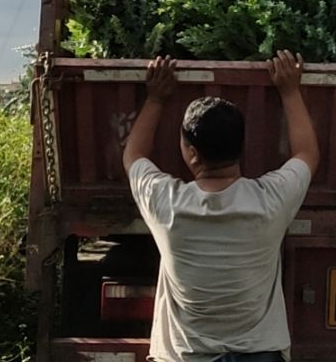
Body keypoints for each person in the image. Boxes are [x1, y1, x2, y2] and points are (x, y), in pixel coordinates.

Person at [123, 50, 321, 362]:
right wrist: (290, 91)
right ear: (241, 147)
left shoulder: (167, 204)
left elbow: (133, 154)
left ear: (191, 153)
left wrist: (156, 98)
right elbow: (307, 153)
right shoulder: (270, 201)